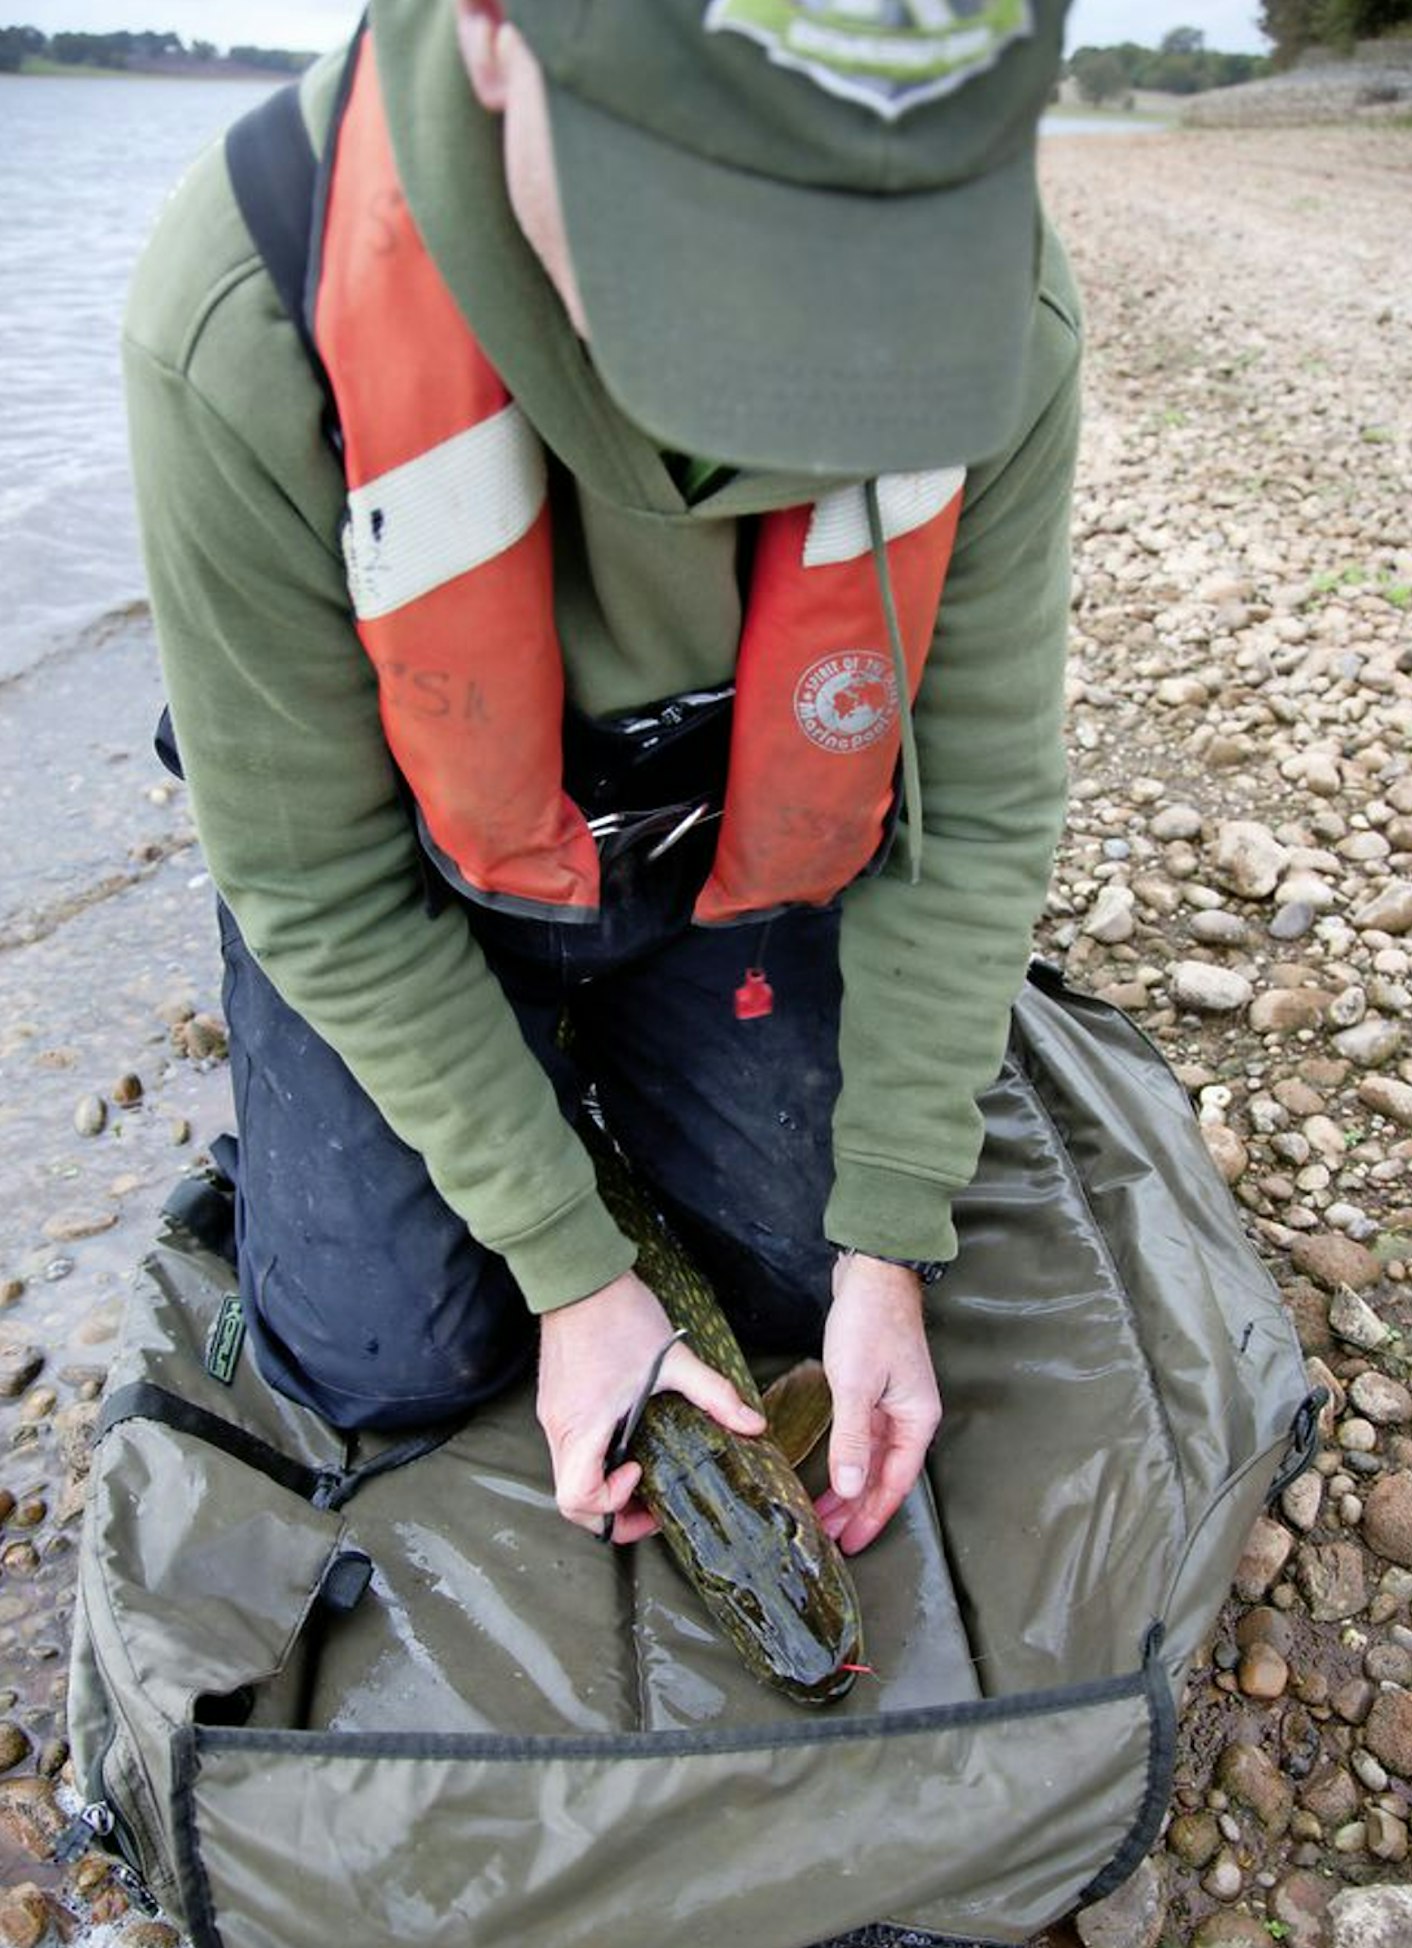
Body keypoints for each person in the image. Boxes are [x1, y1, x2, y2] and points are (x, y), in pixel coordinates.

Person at [123, 0, 1080, 1562]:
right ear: (495, 28)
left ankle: (604, 1052)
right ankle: (470, 1070)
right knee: (386, 1358)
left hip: (717, 845)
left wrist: (890, 1237)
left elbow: (969, 805)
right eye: (710, 216)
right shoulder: (242, 303)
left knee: (796, 1279)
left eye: (868, 239)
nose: (798, 362)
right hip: (412, 860)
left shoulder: (1008, 310)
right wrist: (569, 1266)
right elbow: (315, 876)